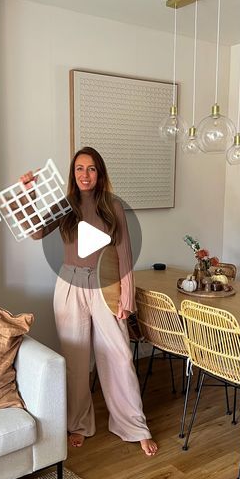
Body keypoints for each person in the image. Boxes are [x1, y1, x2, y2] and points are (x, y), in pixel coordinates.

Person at [20, 147, 157, 457]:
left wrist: (126, 297)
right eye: (79, 169)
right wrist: (28, 194)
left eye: (91, 169)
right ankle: (79, 424)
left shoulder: (113, 207)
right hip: (69, 286)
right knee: (76, 359)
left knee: (119, 356)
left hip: (104, 286)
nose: (85, 174)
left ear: (100, 173)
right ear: (73, 174)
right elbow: (35, 231)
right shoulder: (64, 206)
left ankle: (134, 426)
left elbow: (123, 254)